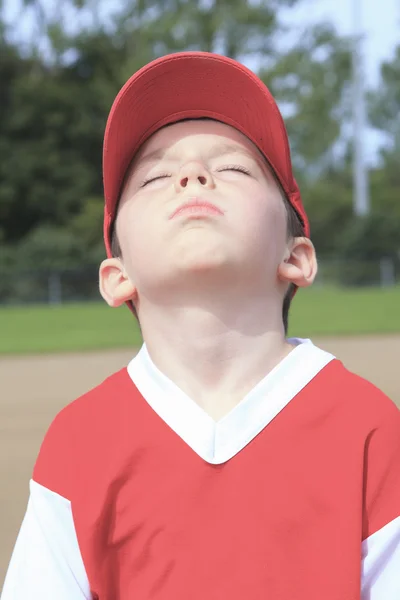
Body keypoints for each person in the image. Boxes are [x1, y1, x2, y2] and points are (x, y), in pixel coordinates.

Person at [2, 51, 399, 600]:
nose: (192, 175)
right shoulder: (79, 442)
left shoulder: (369, 428)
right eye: (155, 177)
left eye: (233, 168)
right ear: (117, 277)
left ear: (298, 257)